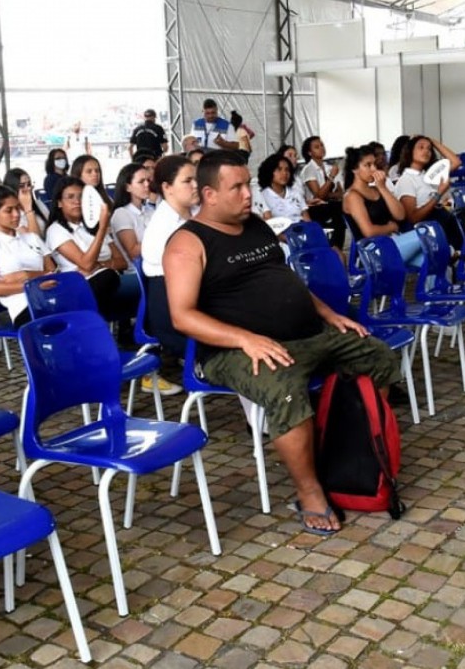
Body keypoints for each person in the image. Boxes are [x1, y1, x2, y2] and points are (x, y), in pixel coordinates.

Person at [163, 150, 398, 535]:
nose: (247, 195)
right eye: (236, 187)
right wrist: (245, 338)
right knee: (285, 389)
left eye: (248, 185)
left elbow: (288, 283)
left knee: (378, 356)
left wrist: (328, 314)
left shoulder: (255, 225)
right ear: (208, 194)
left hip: (306, 334)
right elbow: (182, 316)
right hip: (232, 350)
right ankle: (310, 492)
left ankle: (352, 448)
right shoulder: (187, 244)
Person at [0, 185, 56, 329]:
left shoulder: (32, 238)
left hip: (50, 298)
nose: (16, 214)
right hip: (24, 306)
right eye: (9, 210)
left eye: (17, 208)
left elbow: (52, 273)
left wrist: (25, 275)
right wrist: (34, 286)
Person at [141, 155, 198, 357]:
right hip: (173, 307)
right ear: (167, 188)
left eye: (196, 179)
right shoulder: (162, 227)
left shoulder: (196, 216)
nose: (196, 185)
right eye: (187, 181)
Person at [46, 176, 127, 315]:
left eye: (80, 197)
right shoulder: (56, 230)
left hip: (106, 279)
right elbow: (86, 264)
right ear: (60, 203)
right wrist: (102, 229)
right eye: (70, 197)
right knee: (109, 277)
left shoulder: (92, 225)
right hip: (79, 286)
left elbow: (122, 262)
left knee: (112, 277)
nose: (77, 201)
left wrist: (100, 265)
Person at [342, 144, 424, 268]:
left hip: (393, 242)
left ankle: (434, 286)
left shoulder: (377, 189)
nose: (374, 169)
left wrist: (382, 188)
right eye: (368, 165)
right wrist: (390, 227)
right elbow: (368, 231)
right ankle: (450, 250)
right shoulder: (352, 196)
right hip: (373, 250)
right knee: (424, 233)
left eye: (374, 164)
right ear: (355, 169)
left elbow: (400, 215)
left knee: (433, 260)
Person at [392, 134, 464, 250]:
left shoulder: (428, 176)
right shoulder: (406, 180)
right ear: (410, 152)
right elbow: (413, 218)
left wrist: (432, 141)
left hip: (441, 223)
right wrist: (438, 194)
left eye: (429, 149)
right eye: (421, 147)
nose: (426, 151)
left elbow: (456, 162)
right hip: (426, 231)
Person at [298, 136, 346, 248]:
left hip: (332, 206)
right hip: (316, 209)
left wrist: (329, 194)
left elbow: (340, 192)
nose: (321, 148)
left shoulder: (329, 167)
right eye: (316, 147)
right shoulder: (309, 169)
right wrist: (331, 177)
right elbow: (319, 195)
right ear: (309, 152)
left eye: (322, 145)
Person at [110, 163, 155, 262]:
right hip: (136, 271)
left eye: (148, 180)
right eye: (141, 181)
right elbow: (133, 252)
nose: (147, 184)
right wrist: (161, 240)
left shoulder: (150, 210)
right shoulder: (121, 214)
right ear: (128, 187)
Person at [256, 153, 310, 224]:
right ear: (269, 172)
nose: (284, 173)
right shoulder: (263, 196)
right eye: (279, 169)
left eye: (287, 170)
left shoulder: (295, 193)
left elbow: (307, 219)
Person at [2, 168, 49, 235]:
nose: (28, 188)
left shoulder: (38, 204)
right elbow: (35, 241)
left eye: (29, 184)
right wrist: (28, 209)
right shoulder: (10, 214)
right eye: (22, 186)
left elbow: (52, 227)